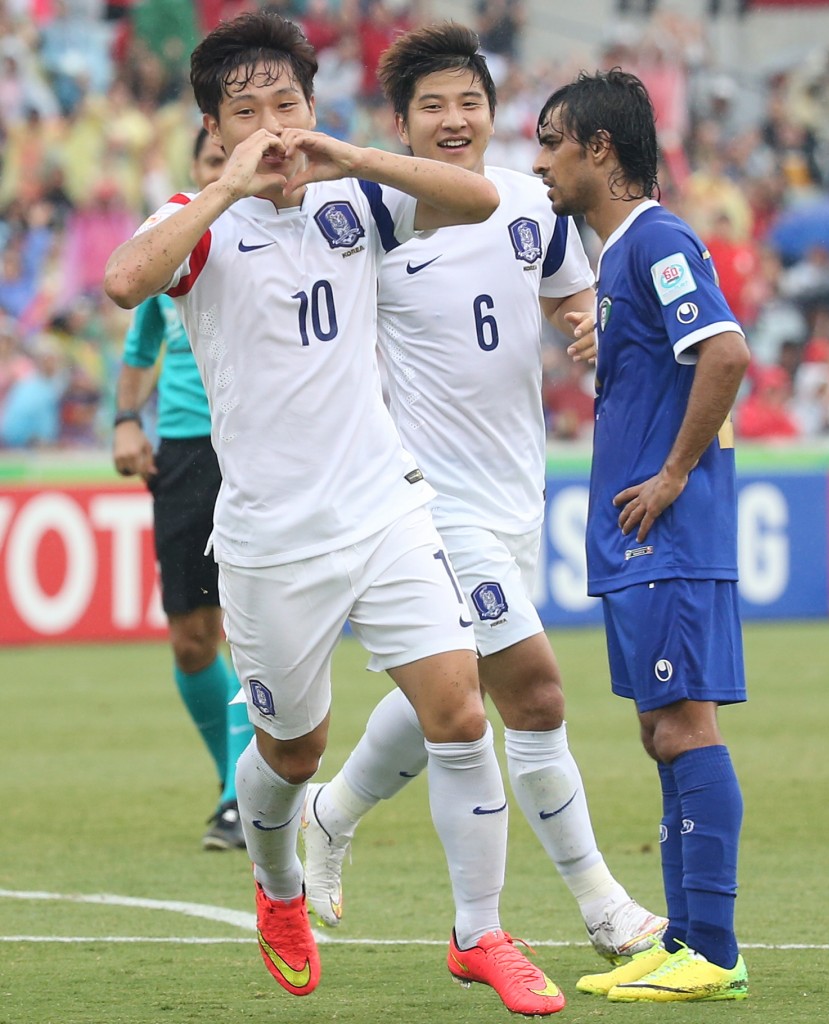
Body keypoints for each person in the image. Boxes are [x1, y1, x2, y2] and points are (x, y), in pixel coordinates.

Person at [104, 12, 564, 1016]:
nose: (272, 124)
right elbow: (122, 280)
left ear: (312, 107)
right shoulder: (199, 218)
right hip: (270, 540)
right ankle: (279, 890)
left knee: (457, 710)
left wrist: (354, 153)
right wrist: (225, 185)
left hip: (385, 508)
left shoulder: (359, 196)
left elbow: (481, 197)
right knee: (292, 753)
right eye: (247, 110)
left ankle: (479, 931)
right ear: (215, 129)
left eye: (287, 103)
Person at [301, 21, 667, 964]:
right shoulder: (375, 219)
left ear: (493, 114)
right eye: (433, 106)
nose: (454, 119)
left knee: (451, 692)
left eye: (469, 102)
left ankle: (332, 812)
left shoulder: (528, 205)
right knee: (536, 695)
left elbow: (567, 299)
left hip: (514, 495)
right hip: (428, 499)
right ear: (400, 122)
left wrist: (586, 324)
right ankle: (604, 908)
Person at [533, 69, 751, 1003]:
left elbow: (726, 352)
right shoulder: (623, 255)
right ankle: (687, 938)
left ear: (600, 150)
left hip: (667, 529)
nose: (539, 162)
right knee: (661, 731)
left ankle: (715, 952)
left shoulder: (658, 238)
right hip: (637, 537)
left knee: (684, 726)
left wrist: (669, 476)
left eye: (552, 143)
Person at [112, 127, 254, 851]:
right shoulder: (171, 249)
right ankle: (236, 781)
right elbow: (141, 349)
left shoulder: (280, 246)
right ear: (197, 172)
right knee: (193, 638)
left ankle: (242, 796)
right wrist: (124, 422)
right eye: (211, 161)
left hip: (261, 447)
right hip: (189, 449)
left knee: (251, 630)